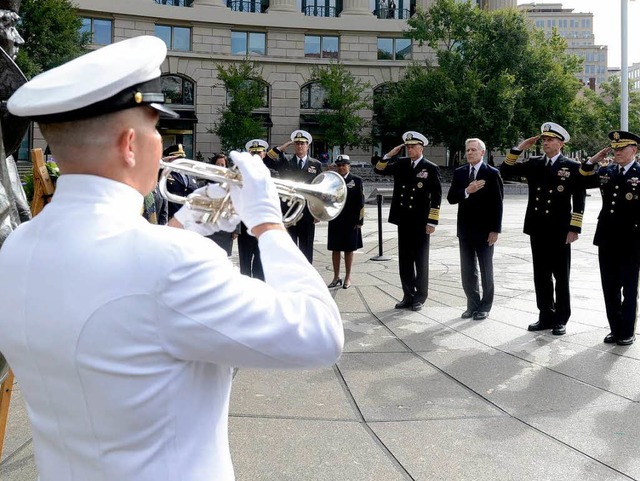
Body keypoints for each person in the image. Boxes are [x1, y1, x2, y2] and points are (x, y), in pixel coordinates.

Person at [0, 36, 343, 481]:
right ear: (129, 144)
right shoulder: (170, 263)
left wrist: (187, 221)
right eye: (157, 130)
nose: (161, 144)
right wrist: (267, 223)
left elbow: (117, 291)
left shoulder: (18, 247)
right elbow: (321, 335)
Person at [500, 122, 586, 336]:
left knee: (561, 276)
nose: (546, 143)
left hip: (559, 229)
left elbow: (579, 198)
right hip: (538, 227)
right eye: (544, 140)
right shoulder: (534, 163)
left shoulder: (572, 167)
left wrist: (574, 227)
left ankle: (561, 318)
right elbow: (506, 169)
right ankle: (545, 315)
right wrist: (519, 147)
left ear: (561, 143)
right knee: (541, 275)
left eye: (550, 140)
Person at [579, 130, 640, 346]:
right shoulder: (607, 171)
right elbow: (582, 181)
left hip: (632, 241)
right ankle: (615, 328)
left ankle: (627, 330)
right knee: (610, 286)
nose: (617, 152)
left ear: (634, 149)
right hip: (606, 238)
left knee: (629, 288)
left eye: (622, 148)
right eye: (615, 149)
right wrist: (592, 160)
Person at [373, 131, 442, 311]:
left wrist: (432, 221)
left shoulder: (430, 168)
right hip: (403, 219)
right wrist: (389, 155)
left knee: (420, 259)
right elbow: (379, 170)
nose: (409, 149)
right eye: (408, 147)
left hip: (420, 221)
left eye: (413, 147)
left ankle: (420, 297)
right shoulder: (401, 164)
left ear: (421, 148)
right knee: (405, 259)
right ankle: (408, 295)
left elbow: (436, 196)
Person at [447, 138, 504, 320]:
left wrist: (495, 230)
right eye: (467, 150)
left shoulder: (491, 173)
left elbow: (498, 203)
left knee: (486, 269)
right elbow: (451, 198)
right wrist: (467, 191)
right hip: (465, 230)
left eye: (473, 150)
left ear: (482, 153)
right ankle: (472, 304)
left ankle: (485, 306)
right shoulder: (460, 173)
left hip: (485, 231)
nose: (469, 153)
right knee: (467, 270)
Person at [265, 129, 323, 263]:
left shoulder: (316, 164)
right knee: (289, 247)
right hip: (288, 210)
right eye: (297, 144)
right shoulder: (285, 160)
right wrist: (281, 148)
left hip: (307, 212)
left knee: (306, 247)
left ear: (308, 146)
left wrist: (317, 213)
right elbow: (267, 160)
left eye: (303, 144)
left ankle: (307, 275)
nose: (300, 146)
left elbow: (319, 190)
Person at [327, 155, 364, 289]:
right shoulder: (332, 180)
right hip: (335, 219)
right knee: (335, 249)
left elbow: (361, 201)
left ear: (349, 166)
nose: (341, 168)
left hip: (351, 221)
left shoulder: (356, 180)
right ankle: (336, 277)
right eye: (339, 165)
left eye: (344, 165)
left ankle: (348, 277)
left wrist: (360, 220)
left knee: (349, 250)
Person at [237, 139, 269, 280]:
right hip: (245, 226)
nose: (256, 155)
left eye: (259, 152)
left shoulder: (272, 173)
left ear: (264, 154)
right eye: (253, 152)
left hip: (263, 226)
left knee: (261, 265)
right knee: (244, 264)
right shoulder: (240, 174)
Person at [206, 153, 238, 256]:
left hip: (225, 230)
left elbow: (236, 207)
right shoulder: (205, 183)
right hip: (209, 228)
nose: (220, 167)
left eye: (222, 165)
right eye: (218, 164)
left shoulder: (232, 185)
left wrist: (236, 229)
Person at [163, 143, 199, 218]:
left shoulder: (191, 174)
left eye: (182, 158)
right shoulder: (164, 173)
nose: (181, 161)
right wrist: (163, 161)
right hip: (172, 217)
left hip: (190, 217)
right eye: (177, 158)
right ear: (170, 159)